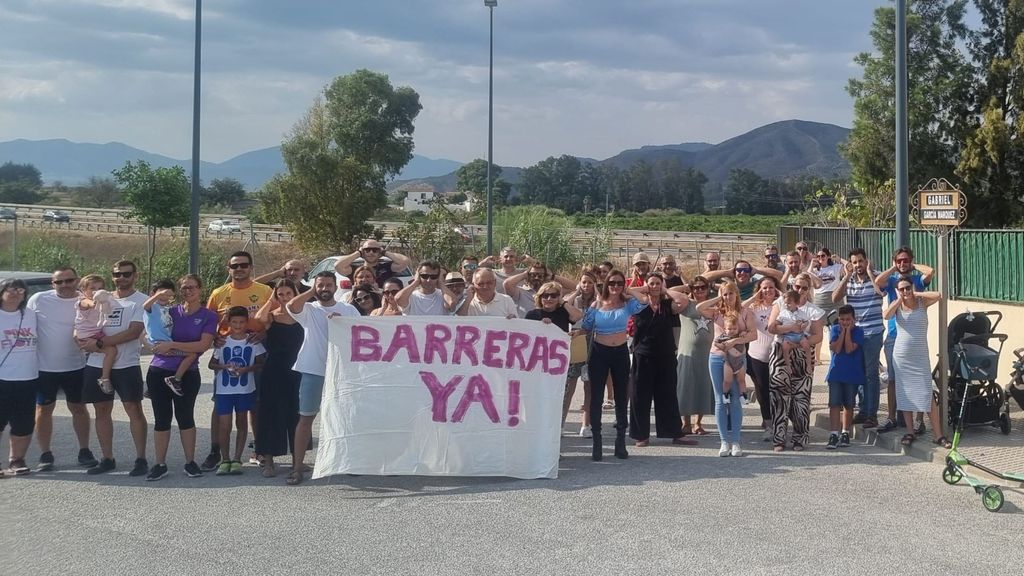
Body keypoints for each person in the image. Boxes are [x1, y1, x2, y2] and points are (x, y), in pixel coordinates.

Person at [286, 272, 361, 485]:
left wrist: (342, 323)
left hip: (342, 371)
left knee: (346, 417)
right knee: (306, 418)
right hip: (313, 370)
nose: (325, 288)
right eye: (321, 285)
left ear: (336, 286)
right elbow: (291, 306)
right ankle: (298, 466)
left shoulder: (348, 309)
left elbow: (361, 334)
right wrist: (311, 290)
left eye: (329, 284)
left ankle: (348, 462)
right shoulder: (309, 309)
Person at [203, 250, 273, 471]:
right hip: (227, 355)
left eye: (244, 265)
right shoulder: (218, 293)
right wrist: (215, 337)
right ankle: (216, 451)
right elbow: (209, 322)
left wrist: (265, 333)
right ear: (229, 269)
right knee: (220, 405)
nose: (239, 269)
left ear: (251, 267)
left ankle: (257, 449)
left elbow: (276, 318)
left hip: (255, 351)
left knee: (255, 404)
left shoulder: (265, 291)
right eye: (235, 266)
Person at [78, 260, 150, 477]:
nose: (122, 278)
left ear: (135, 276)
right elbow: (83, 320)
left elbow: (133, 331)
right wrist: (82, 339)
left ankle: (141, 458)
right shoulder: (101, 298)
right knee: (101, 410)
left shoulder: (142, 301)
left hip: (126, 364)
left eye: (126, 274)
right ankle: (107, 458)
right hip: (96, 363)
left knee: (133, 409)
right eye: (117, 274)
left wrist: (100, 344)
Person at [144, 274, 217, 481]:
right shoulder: (169, 310)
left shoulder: (208, 316)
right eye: (184, 288)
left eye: (192, 287)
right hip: (159, 369)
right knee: (161, 419)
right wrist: (153, 345)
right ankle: (159, 464)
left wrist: (172, 345)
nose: (188, 291)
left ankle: (190, 462)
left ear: (200, 289)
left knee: (185, 418)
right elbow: (147, 331)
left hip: (187, 373)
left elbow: (203, 345)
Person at [29, 267, 99, 471]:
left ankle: (85, 450)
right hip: (44, 368)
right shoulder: (39, 299)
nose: (64, 285)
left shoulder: (85, 300)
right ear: (53, 284)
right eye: (59, 282)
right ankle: (45, 454)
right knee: (43, 410)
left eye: (68, 280)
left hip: (75, 366)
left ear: (77, 281)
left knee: (78, 408)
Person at [580, 269, 650, 461]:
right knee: (596, 397)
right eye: (612, 283)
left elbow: (645, 301)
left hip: (620, 352)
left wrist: (630, 290)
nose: (615, 287)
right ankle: (597, 442)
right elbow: (585, 326)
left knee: (621, 397)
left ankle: (620, 441)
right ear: (606, 285)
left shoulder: (628, 304)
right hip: (599, 352)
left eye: (619, 283)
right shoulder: (596, 304)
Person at [873, 246, 934, 434]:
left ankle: (919, 420)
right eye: (899, 260)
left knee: (918, 379)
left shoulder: (916, 281)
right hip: (894, 336)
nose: (902, 263)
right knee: (892, 379)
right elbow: (878, 281)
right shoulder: (892, 280)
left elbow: (931, 272)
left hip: (914, 338)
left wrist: (912, 266)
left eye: (905, 260)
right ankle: (891, 417)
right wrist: (894, 268)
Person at [882, 277, 947, 449]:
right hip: (902, 356)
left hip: (920, 356)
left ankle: (938, 435)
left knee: (927, 395)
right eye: (901, 289)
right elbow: (886, 315)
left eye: (907, 288)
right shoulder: (897, 306)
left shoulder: (921, 302)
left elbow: (938, 295)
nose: (905, 291)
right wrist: (898, 300)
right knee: (905, 394)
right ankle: (910, 431)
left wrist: (915, 292)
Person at [695, 279, 756, 457]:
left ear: (736, 293)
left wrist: (736, 341)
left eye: (730, 293)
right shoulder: (716, 313)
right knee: (721, 399)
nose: (728, 297)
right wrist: (717, 299)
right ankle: (723, 441)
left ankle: (735, 441)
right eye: (725, 293)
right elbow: (699, 308)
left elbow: (753, 334)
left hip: (737, 358)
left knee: (735, 399)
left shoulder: (745, 312)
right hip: (717, 358)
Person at [628, 272, 690, 447]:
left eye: (658, 283)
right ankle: (641, 435)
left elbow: (683, 300)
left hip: (666, 355)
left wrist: (664, 289)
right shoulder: (639, 304)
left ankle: (674, 432)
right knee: (640, 396)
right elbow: (628, 290)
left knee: (668, 395)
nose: (655, 286)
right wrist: (645, 288)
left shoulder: (667, 305)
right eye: (652, 283)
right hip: (643, 355)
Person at [766, 273, 825, 452]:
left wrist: (799, 341)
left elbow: (817, 336)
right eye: (796, 287)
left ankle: (800, 437)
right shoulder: (780, 304)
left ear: (809, 290)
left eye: (804, 288)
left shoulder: (814, 310)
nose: (799, 291)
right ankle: (779, 438)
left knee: (801, 399)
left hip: (801, 353)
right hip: (780, 353)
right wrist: (792, 328)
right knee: (778, 396)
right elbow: (771, 327)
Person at [253, 280, 304, 478]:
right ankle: (269, 461)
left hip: (298, 369)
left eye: (288, 293)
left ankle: (297, 461)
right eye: (280, 294)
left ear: (295, 294)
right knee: (270, 413)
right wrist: (271, 301)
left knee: (296, 413)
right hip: (274, 369)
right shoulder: (272, 317)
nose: (284, 298)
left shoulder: (303, 316)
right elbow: (259, 318)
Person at [209, 306, 266, 475]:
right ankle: (224, 459)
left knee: (241, 423)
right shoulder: (223, 341)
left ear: (246, 322)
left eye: (242, 322)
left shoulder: (253, 341)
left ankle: (237, 458)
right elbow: (211, 364)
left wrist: (246, 369)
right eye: (234, 322)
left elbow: (261, 363)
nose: (238, 325)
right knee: (224, 425)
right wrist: (224, 366)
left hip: (245, 389)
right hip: (224, 390)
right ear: (229, 322)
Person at [832, 248, 885, 428]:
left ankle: (872, 414)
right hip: (855, 334)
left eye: (861, 261)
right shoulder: (850, 280)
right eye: (854, 262)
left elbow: (881, 292)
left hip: (873, 333)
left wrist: (870, 273)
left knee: (871, 375)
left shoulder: (876, 276)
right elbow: (835, 298)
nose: (858, 265)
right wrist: (846, 277)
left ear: (866, 261)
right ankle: (863, 411)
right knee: (859, 373)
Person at [668, 276, 716, 437]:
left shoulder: (713, 305)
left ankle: (698, 423)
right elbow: (669, 292)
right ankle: (686, 423)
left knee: (703, 386)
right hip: (687, 352)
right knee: (686, 387)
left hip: (707, 352)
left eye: (703, 287)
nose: (699, 290)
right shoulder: (686, 304)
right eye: (696, 288)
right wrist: (686, 286)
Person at [0, 278, 39, 476]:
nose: (16, 293)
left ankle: (17, 460)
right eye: (11, 289)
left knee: (24, 422)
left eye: (21, 290)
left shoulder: (31, 315)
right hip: (2, 378)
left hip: (27, 377)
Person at [143, 280, 198, 397]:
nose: (165, 297)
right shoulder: (152, 308)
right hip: (161, 344)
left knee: (191, 355)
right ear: (153, 294)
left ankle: (152, 388)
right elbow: (145, 305)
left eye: (168, 295)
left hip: (169, 343)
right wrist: (157, 295)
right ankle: (175, 379)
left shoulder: (169, 309)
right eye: (162, 294)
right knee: (192, 355)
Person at [743, 276, 782, 440]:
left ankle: (780, 423)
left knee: (778, 390)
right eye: (764, 288)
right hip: (757, 355)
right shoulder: (754, 307)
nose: (767, 291)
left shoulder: (780, 305)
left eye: (771, 288)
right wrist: (755, 296)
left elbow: (793, 301)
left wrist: (780, 294)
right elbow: (739, 307)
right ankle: (768, 424)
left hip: (777, 355)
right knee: (762, 390)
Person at [562, 269, 598, 435]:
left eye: (590, 282)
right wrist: (576, 290)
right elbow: (564, 305)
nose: (586, 285)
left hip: (593, 341)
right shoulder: (574, 299)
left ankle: (586, 424)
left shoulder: (597, 300)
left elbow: (602, 303)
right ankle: (561, 422)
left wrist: (597, 290)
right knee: (569, 384)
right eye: (584, 282)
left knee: (589, 384)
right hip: (576, 340)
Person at [825, 305, 864, 450]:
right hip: (836, 374)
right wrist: (842, 332)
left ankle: (845, 432)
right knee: (834, 404)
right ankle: (833, 434)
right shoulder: (834, 330)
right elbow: (836, 348)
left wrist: (848, 332)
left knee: (849, 404)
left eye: (848, 320)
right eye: (842, 320)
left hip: (852, 373)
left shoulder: (859, 331)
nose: (845, 322)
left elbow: (848, 349)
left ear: (854, 319)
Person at [73, 274, 118, 394]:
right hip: (87, 335)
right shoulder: (82, 301)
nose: (96, 292)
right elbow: (88, 303)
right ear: (83, 290)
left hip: (95, 333)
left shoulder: (102, 300)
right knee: (111, 350)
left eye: (99, 289)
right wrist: (97, 301)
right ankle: (104, 378)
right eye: (92, 288)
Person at [504, 263, 575, 318]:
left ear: (545, 276)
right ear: (528, 276)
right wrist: (524, 274)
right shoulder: (520, 291)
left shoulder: (551, 293)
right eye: (533, 275)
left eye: (540, 275)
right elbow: (506, 284)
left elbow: (573, 288)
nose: (536, 277)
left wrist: (553, 276)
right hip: (525, 328)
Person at [333, 239, 411, 288]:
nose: (371, 252)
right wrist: (358, 253)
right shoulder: (356, 270)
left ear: (379, 252)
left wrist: (384, 252)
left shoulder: (387, 268)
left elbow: (405, 261)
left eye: (375, 250)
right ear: (363, 252)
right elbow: (338, 265)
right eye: (367, 250)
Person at [715, 312, 748, 405]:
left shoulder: (740, 335)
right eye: (729, 329)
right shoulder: (723, 337)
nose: (732, 331)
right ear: (725, 329)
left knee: (741, 380)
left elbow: (747, 334)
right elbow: (715, 342)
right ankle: (725, 394)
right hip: (728, 362)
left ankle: (743, 395)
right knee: (727, 380)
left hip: (740, 362)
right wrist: (722, 346)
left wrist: (744, 332)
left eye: (734, 328)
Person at [776, 290, 811, 373]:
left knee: (806, 346)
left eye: (788, 303)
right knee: (785, 347)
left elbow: (807, 321)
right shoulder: (783, 313)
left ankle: (808, 364)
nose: (786, 305)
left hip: (799, 334)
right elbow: (778, 321)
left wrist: (804, 325)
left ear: (796, 303)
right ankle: (788, 365)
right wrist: (775, 323)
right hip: (788, 335)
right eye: (785, 303)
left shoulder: (801, 313)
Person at [809, 247, 845, 317]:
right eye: (818, 256)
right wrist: (811, 265)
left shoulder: (836, 267)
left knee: (837, 321)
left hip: (835, 298)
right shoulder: (815, 270)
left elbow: (849, 267)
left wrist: (840, 259)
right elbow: (808, 274)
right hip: (820, 300)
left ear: (828, 256)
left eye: (823, 256)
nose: (820, 258)